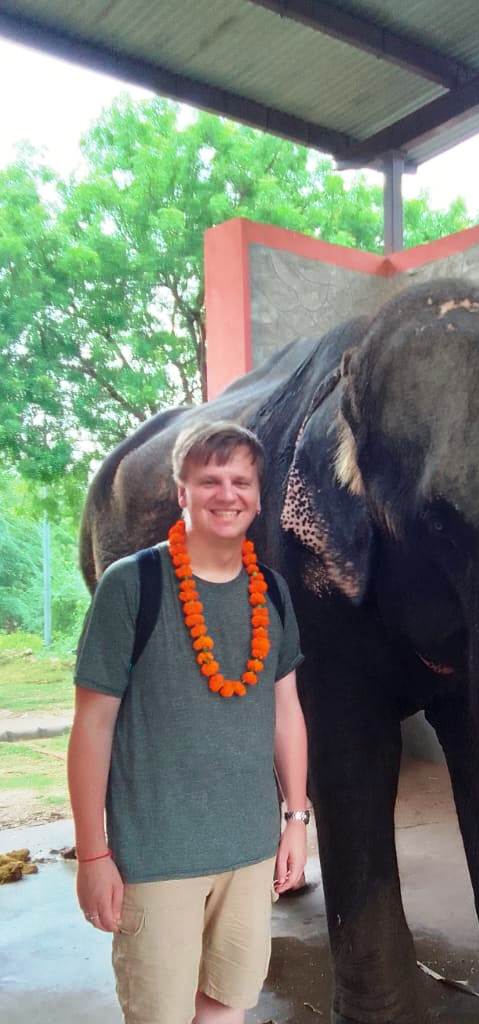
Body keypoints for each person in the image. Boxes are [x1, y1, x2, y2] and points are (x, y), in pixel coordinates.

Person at [67, 421, 309, 1024]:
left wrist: (296, 819)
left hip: (250, 853)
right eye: (209, 481)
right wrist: (94, 855)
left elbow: (286, 711)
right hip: (154, 859)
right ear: (182, 493)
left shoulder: (272, 593)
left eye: (239, 481)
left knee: (227, 1004)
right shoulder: (132, 586)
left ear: (258, 496)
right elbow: (92, 727)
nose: (225, 494)